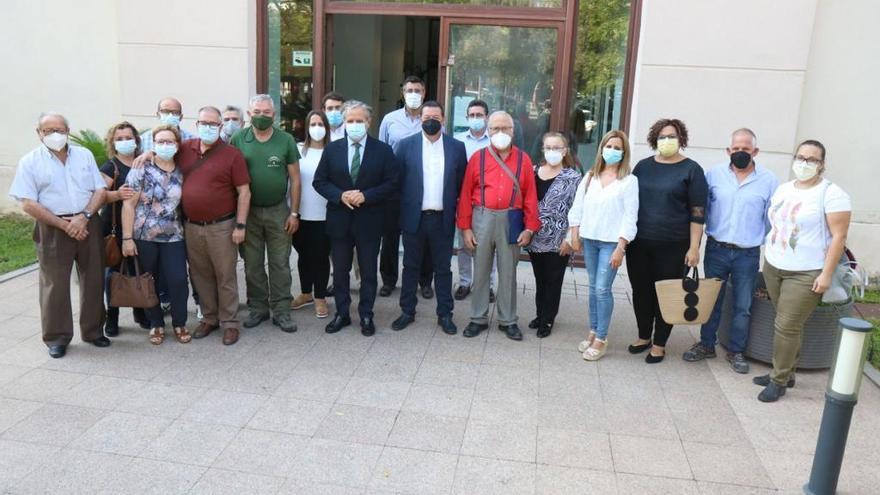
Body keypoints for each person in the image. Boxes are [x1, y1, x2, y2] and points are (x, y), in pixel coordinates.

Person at [135, 106, 252, 345]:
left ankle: (229, 322)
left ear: (220, 127)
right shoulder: (185, 148)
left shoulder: (232, 154)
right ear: (196, 125)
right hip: (190, 226)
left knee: (225, 275)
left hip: (222, 225)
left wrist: (240, 225)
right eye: (203, 123)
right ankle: (209, 318)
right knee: (200, 275)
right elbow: (163, 157)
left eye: (213, 124)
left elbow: (244, 191)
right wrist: (148, 154)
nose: (208, 127)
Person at [754, 140, 851, 402]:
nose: (804, 163)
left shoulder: (832, 194)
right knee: (789, 323)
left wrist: (826, 274)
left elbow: (839, 237)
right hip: (775, 265)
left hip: (806, 271)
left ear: (822, 164)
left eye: (812, 159)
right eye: (801, 157)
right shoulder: (784, 189)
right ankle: (787, 371)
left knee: (786, 325)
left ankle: (778, 380)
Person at [9, 112, 110, 358]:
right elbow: (27, 203)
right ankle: (57, 337)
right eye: (48, 130)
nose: (55, 135)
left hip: (87, 222)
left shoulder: (83, 155)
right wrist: (64, 225)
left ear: (67, 130)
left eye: (60, 129)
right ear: (39, 133)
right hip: (53, 227)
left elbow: (99, 190)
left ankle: (94, 330)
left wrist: (84, 217)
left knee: (94, 278)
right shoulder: (30, 161)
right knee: (54, 284)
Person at [682, 129, 778, 374]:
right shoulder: (713, 175)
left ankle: (736, 351)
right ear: (728, 151)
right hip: (717, 249)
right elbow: (702, 210)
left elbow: (771, 219)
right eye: (736, 149)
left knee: (743, 305)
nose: (740, 153)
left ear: (755, 151)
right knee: (711, 299)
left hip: (747, 253)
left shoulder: (769, 180)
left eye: (745, 149)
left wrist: (754, 238)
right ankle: (706, 344)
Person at [313, 100, 399, 336]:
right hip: (340, 221)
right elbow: (319, 182)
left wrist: (366, 196)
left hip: (369, 222)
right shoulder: (332, 149)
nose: (354, 125)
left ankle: (366, 314)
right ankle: (342, 313)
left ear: (369, 122)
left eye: (359, 121)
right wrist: (340, 195)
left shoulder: (383, 150)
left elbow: (392, 183)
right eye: (350, 121)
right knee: (340, 272)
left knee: (368, 272)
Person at [627, 118, 707, 363]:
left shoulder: (692, 169)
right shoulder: (642, 166)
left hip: (674, 245)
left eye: (672, 136)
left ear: (681, 139)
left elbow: (697, 212)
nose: (667, 140)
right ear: (654, 139)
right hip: (639, 243)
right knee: (641, 291)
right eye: (662, 136)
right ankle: (643, 336)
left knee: (666, 294)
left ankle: (660, 343)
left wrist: (694, 247)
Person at [458, 111, 540, 341]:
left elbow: (530, 195)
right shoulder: (478, 158)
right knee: (481, 270)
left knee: (508, 272)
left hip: (511, 219)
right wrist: (465, 227)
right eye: (495, 128)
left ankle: (508, 320)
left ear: (513, 131)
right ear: (488, 129)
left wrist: (530, 227)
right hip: (481, 217)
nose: (500, 133)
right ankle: (477, 318)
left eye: (505, 128)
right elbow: (465, 194)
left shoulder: (523, 159)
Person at [391, 101, 467, 335]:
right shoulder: (405, 146)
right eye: (426, 118)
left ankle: (445, 314)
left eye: (435, 117)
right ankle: (407, 311)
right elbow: (397, 182)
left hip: (442, 219)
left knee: (443, 268)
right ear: (420, 119)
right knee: (410, 266)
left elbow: (461, 183)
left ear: (443, 120)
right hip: (414, 218)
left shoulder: (456, 147)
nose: (431, 121)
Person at [230, 94, 300, 334]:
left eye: (267, 112)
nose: (262, 116)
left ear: (274, 114)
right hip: (248, 213)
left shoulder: (286, 140)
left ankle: (282, 311)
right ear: (249, 114)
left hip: (278, 210)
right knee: (252, 264)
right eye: (257, 112)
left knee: (280, 263)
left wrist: (294, 213)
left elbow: (296, 179)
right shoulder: (238, 139)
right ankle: (258, 308)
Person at [568, 130, 638, 360]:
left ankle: (601, 338)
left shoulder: (629, 181)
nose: (613, 151)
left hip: (611, 243)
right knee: (591, 286)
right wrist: (575, 233)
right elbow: (577, 207)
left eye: (618, 148)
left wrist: (621, 247)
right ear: (602, 148)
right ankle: (593, 330)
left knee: (602, 288)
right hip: (590, 239)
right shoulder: (590, 176)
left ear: (624, 152)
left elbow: (630, 216)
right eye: (609, 146)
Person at [120, 125, 191, 345]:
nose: (165, 145)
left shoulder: (183, 169)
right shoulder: (141, 168)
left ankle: (180, 322)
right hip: (143, 236)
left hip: (174, 236)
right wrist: (127, 238)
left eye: (169, 141)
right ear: (153, 144)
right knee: (149, 281)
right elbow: (128, 205)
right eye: (160, 142)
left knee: (178, 280)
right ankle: (156, 324)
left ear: (177, 145)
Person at [378, 76, 435, 299]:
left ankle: (425, 280)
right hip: (393, 186)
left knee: (424, 236)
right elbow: (382, 152)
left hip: (423, 186)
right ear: (403, 92)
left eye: (417, 90)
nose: (413, 94)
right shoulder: (389, 119)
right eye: (409, 90)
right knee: (390, 235)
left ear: (424, 92)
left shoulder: (431, 118)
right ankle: (389, 280)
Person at [526, 132, 581, 338]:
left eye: (556, 148)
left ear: (565, 151)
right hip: (534, 238)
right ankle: (540, 314)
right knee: (540, 279)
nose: (552, 151)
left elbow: (578, 210)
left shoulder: (573, 177)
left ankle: (548, 319)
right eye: (548, 147)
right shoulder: (532, 171)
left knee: (553, 280)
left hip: (559, 240)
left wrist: (570, 238)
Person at [99, 121, 147, 336]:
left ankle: (140, 310)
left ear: (136, 140)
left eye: (128, 137)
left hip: (141, 226)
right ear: (113, 142)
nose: (125, 141)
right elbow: (97, 196)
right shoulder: (111, 167)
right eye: (119, 138)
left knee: (138, 268)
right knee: (115, 274)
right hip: (114, 227)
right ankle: (113, 316)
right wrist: (117, 194)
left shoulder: (144, 162)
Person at [453, 99, 497, 302]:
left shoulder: (495, 141)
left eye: (480, 115)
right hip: (464, 198)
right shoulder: (458, 140)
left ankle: (487, 285)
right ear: (467, 117)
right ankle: (464, 282)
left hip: (488, 201)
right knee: (464, 244)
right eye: (472, 115)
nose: (476, 119)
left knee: (489, 245)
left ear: (487, 117)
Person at [291, 110, 332, 319]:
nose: (317, 128)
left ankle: (320, 297)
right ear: (306, 127)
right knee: (304, 255)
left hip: (325, 215)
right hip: (300, 214)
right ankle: (306, 293)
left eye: (320, 124)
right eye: (313, 124)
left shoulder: (333, 150)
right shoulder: (297, 150)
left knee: (321, 257)